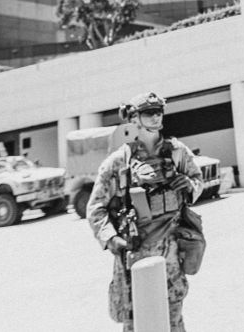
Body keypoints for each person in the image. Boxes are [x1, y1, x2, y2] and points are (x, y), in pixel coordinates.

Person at [86, 91, 204, 331]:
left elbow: (197, 178)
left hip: (172, 249)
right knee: (137, 321)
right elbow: (95, 209)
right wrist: (112, 239)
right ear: (134, 118)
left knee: (174, 318)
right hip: (136, 251)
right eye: (148, 113)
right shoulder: (118, 162)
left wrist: (190, 186)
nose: (156, 117)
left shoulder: (177, 151)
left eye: (158, 111)